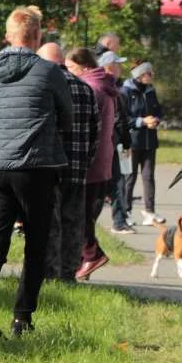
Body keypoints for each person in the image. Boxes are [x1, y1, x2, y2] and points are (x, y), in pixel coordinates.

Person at [0, 7, 72, 338]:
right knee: (36, 244)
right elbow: (67, 116)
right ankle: (22, 318)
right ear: (38, 37)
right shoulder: (48, 72)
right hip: (35, 168)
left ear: (7, 36)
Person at [36, 43, 99, 280]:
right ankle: (68, 273)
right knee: (73, 224)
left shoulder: (44, 87)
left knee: (50, 224)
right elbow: (96, 132)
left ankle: (48, 274)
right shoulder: (85, 89)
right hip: (77, 167)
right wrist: (85, 161)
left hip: (48, 168)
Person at [66, 48, 118, 281]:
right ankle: (80, 262)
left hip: (90, 162)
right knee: (87, 214)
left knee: (80, 214)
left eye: (71, 68)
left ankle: (92, 254)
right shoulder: (104, 85)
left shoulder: (91, 88)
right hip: (103, 162)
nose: (69, 73)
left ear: (84, 66)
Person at [122, 61, 165, 226]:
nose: (152, 76)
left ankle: (150, 211)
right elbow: (123, 118)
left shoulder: (151, 91)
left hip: (150, 142)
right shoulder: (125, 92)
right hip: (131, 142)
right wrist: (141, 121)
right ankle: (126, 211)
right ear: (140, 74)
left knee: (149, 177)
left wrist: (156, 120)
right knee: (129, 177)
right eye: (149, 73)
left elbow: (158, 110)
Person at [98, 51, 134, 234]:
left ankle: (120, 219)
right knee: (116, 183)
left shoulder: (109, 87)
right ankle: (119, 222)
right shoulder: (112, 90)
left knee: (112, 184)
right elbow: (120, 121)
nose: (120, 67)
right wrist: (126, 143)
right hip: (109, 144)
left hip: (108, 143)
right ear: (109, 67)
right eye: (117, 64)